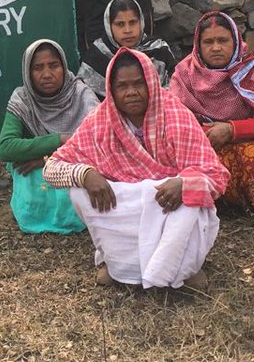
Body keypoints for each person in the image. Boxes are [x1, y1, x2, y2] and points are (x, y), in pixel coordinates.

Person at [44, 49, 228, 291]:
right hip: (125, 209)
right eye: (122, 86)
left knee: (192, 198)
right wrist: (86, 174)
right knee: (79, 192)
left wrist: (184, 184)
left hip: (168, 204)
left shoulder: (175, 115)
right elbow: (52, 168)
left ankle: (186, 267)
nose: (131, 93)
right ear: (111, 89)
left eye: (138, 84)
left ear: (151, 83)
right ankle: (118, 263)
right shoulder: (100, 121)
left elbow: (216, 177)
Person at [169, 11, 254, 219]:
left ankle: (251, 199)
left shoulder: (252, 72)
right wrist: (208, 133)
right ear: (197, 45)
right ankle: (211, 200)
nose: (216, 48)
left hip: (248, 144)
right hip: (204, 145)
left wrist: (232, 130)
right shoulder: (184, 75)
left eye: (223, 40)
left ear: (235, 41)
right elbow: (174, 121)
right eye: (208, 42)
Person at [0, 39, 99, 233]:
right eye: (37, 68)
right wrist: (59, 140)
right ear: (28, 72)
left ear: (63, 66)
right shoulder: (22, 99)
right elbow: (6, 148)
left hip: (76, 165)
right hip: (38, 172)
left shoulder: (81, 94)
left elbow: (99, 140)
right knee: (25, 171)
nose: (46, 74)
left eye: (53, 66)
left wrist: (50, 159)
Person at [77, 0, 175, 97]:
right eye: (120, 24)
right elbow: (86, 100)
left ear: (141, 22)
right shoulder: (97, 56)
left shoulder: (159, 50)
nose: (127, 30)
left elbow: (175, 90)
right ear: (109, 26)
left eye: (132, 22)